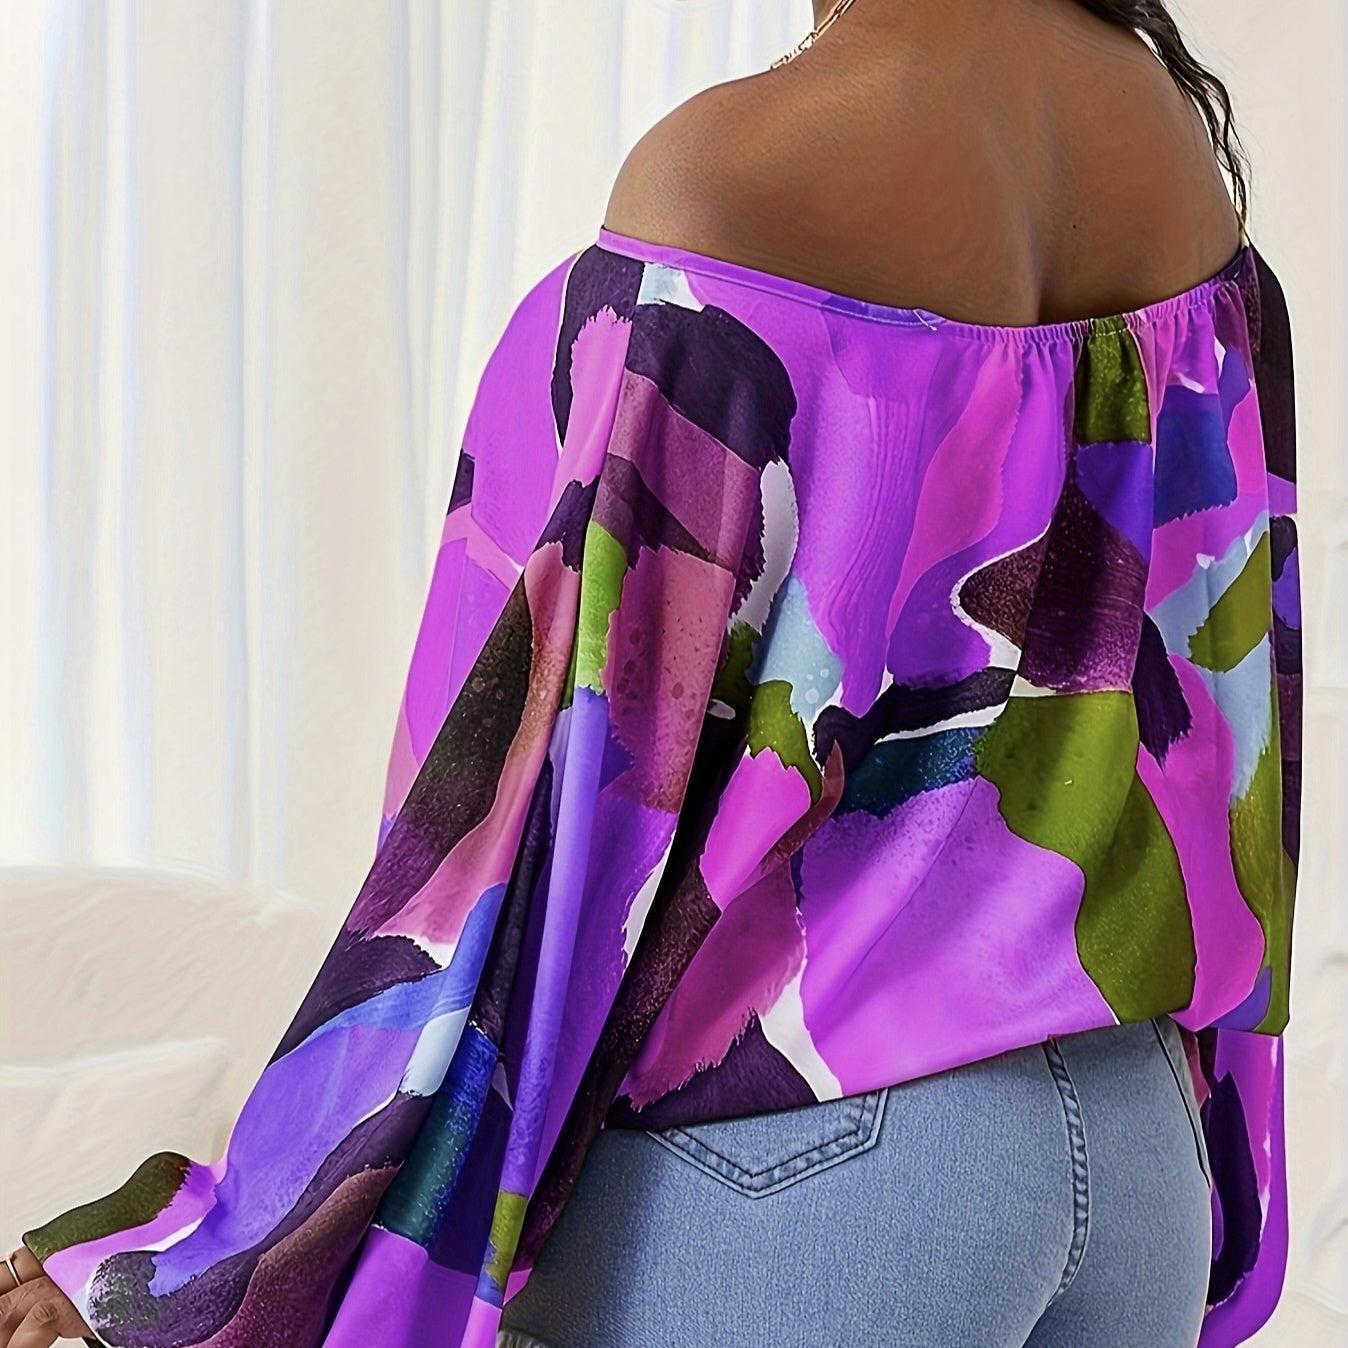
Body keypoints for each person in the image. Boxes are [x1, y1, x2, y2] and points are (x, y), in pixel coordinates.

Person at [3, 2, 1301, 1346]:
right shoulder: (1168, 152)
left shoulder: (735, 177)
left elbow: (524, 847)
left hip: (813, 1165)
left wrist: (207, 1264)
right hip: (1137, 1142)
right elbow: (1237, 731)